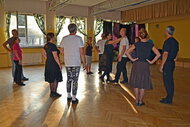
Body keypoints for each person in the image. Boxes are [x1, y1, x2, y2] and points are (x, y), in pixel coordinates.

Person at [126, 29, 161, 106]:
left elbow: (127, 52)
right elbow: (158, 54)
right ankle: (140, 101)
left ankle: (136, 100)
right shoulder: (150, 45)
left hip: (136, 64)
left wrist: (132, 59)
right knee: (143, 83)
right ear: (147, 36)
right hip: (145, 65)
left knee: (136, 83)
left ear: (139, 36)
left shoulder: (137, 44)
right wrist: (152, 62)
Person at [60, 24, 86, 104]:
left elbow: (61, 50)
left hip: (68, 62)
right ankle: (74, 98)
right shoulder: (79, 38)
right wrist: (84, 62)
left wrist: (67, 54)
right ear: (75, 30)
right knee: (75, 80)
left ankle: (68, 96)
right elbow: (82, 52)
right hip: (76, 62)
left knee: (69, 79)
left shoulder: (64, 38)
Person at [160, 26, 179, 104]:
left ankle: (169, 99)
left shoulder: (167, 41)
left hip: (167, 63)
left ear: (167, 32)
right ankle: (169, 97)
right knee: (170, 81)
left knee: (167, 82)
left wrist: (161, 65)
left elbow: (165, 54)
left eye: (165, 31)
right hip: (172, 63)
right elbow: (177, 52)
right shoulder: (175, 41)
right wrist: (174, 58)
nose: (164, 32)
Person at [42, 33, 62, 98]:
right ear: (52, 38)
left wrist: (48, 58)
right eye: (54, 37)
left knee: (51, 78)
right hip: (54, 64)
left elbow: (43, 53)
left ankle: (52, 92)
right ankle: (54, 92)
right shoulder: (53, 46)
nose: (55, 38)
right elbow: (55, 56)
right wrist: (59, 64)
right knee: (55, 78)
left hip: (48, 63)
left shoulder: (46, 45)